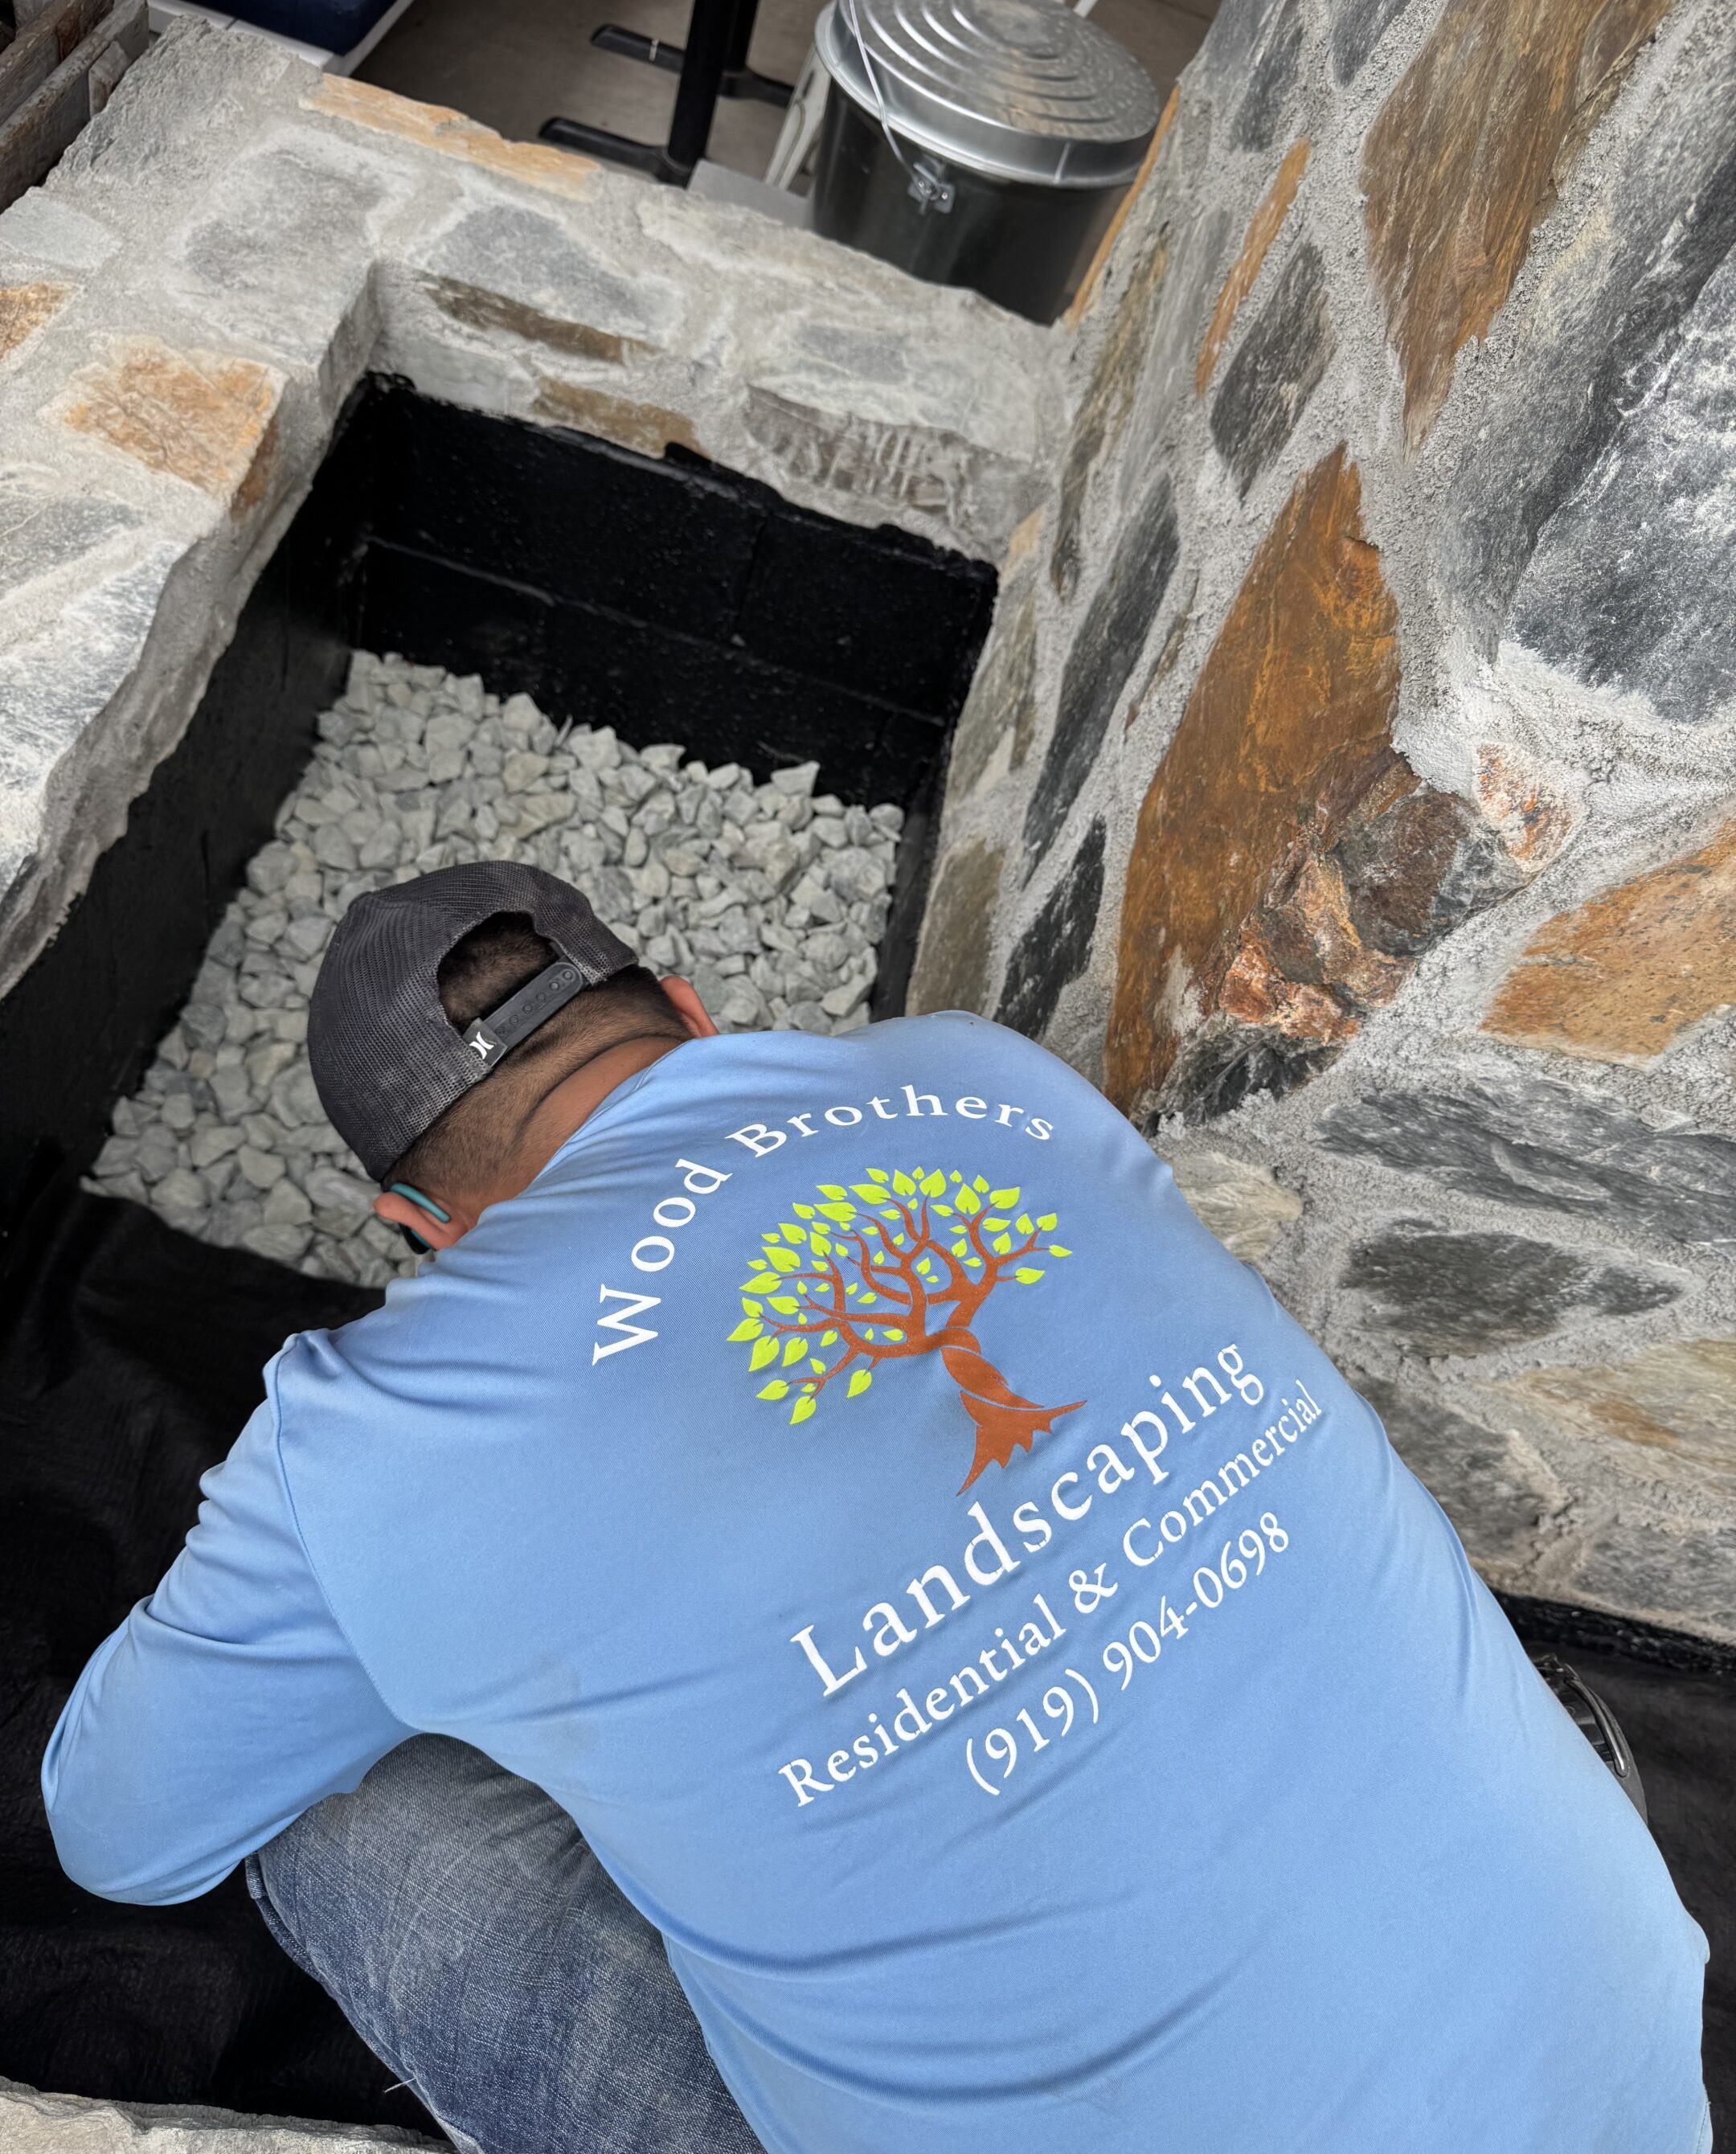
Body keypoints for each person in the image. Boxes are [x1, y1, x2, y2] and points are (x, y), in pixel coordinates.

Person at [43, 861, 1710, 2154]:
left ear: (421, 1226)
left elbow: (121, 1829)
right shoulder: (983, 1077)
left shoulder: (370, 1442)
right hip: (1610, 2069)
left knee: (334, 1812)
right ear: (690, 1010)